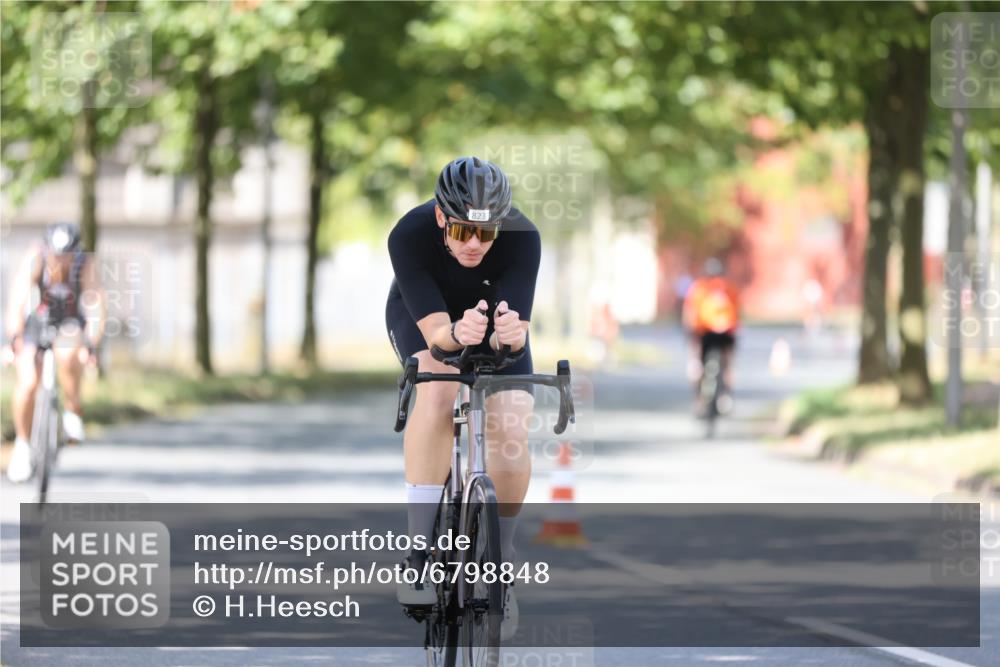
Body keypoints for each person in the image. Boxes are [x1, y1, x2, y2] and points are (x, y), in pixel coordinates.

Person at [386, 157, 540, 638]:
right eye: (460, 232)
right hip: (426, 319)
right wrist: (456, 332)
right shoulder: (408, 234)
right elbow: (437, 337)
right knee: (439, 389)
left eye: (486, 234)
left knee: (512, 422)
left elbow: (514, 336)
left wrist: (507, 337)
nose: (474, 244)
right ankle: (418, 553)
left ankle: (501, 565)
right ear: (440, 218)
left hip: (493, 324)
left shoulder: (524, 237)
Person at [5, 223, 105, 483]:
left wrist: (92, 344)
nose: (60, 260)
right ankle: (23, 445)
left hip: (70, 321)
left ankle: (73, 410)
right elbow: (17, 298)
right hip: (38, 321)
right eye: (56, 255)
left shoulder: (85, 264)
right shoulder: (35, 257)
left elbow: (95, 304)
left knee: (69, 354)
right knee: (28, 382)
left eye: (66, 255)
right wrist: (12, 339)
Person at [682, 257, 739, 414]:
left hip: (704, 332)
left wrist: (689, 333)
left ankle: (699, 400)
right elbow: (737, 312)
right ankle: (725, 397)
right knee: (728, 364)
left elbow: (690, 312)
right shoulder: (729, 288)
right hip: (726, 332)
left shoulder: (699, 288)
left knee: (697, 362)